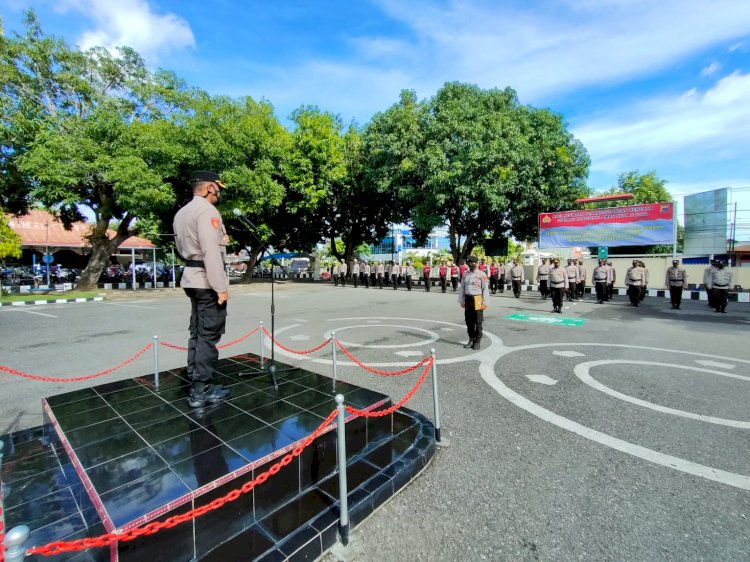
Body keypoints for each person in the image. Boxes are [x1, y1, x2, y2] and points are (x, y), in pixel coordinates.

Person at [173, 170, 231, 408]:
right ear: (209, 187)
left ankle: (194, 377)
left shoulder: (182, 212)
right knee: (208, 336)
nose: (219, 193)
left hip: (191, 277)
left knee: (197, 332)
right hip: (207, 282)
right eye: (218, 188)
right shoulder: (207, 211)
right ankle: (200, 391)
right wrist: (221, 288)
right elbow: (211, 253)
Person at [458, 255, 489, 350]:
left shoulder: (482, 274)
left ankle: (477, 341)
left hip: (478, 299)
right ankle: (471, 339)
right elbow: (462, 288)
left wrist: (485, 303)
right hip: (468, 299)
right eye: (469, 262)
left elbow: (485, 289)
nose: (471, 264)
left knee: (478, 322)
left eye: (473, 262)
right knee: (469, 321)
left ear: (476, 263)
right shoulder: (465, 274)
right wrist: (461, 300)